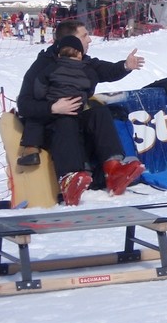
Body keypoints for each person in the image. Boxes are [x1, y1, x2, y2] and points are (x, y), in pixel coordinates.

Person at [16, 19, 146, 205]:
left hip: (76, 120)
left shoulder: (83, 61)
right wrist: (53, 108)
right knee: (65, 120)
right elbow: (25, 104)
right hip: (50, 125)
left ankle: (114, 169)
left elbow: (105, 70)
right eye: (84, 35)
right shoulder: (42, 67)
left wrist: (125, 66)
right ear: (70, 41)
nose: (90, 40)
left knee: (100, 113)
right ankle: (69, 178)